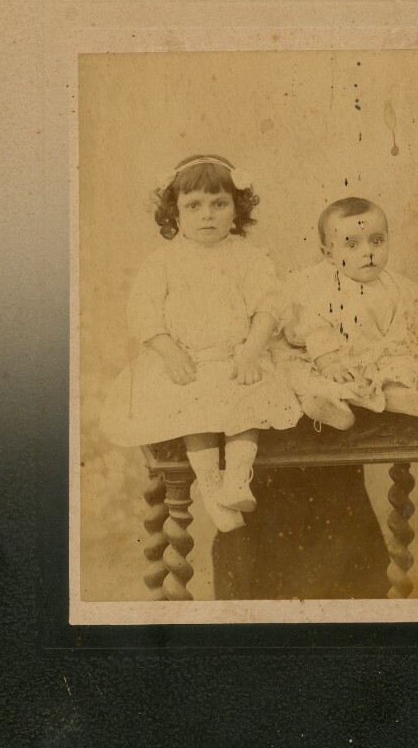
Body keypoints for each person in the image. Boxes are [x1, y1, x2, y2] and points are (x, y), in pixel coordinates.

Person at [100, 154, 301, 532]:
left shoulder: (250, 257)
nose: (207, 215)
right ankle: (210, 486)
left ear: (236, 209)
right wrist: (171, 353)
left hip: (236, 356)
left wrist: (251, 351)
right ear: (175, 213)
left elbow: (269, 306)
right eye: (194, 206)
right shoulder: (162, 262)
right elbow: (144, 314)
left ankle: (235, 481)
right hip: (187, 361)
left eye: (219, 204)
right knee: (194, 403)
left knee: (249, 397)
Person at [276, 196, 418, 430]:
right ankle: (333, 406)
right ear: (329, 254)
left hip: (379, 361)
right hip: (335, 362)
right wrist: (328, 363)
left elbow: (414, 324)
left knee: (401, 365)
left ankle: (398, 394)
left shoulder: (396, 286)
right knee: (310, 377)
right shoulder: (321, 285)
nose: (368, 252)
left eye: (376, 241)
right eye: (352, 245)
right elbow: (314, 328)